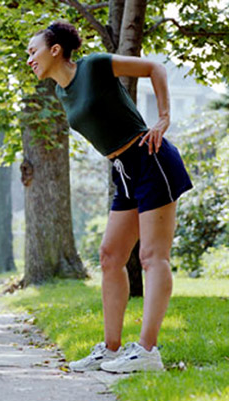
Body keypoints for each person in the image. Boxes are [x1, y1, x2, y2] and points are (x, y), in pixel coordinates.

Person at [26, 21, 192, 373]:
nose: (30, 59)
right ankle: (112, 348)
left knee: (151, 256)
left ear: (55, 50)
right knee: (110, 256)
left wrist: (163, 118)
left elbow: (153, 68)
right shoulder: (61, 92)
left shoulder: (95, 65)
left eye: (33, 51)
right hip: (123, 170)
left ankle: (148, 352)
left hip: (150, 158)